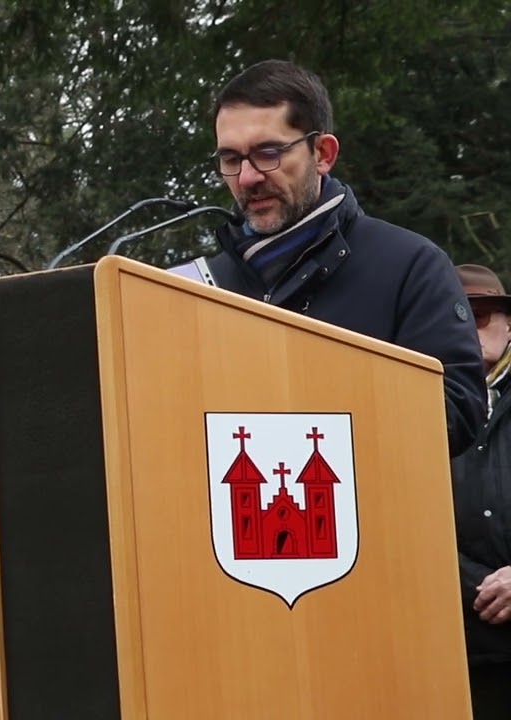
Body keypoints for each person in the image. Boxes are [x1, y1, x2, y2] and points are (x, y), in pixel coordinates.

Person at [202, 59, 485, 457]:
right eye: (231, 159)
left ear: (323, 153)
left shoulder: (410, 266)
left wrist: (307, 377)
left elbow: (460, 412)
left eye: (268, 152)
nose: (247, 177)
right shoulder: (202, 285)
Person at [450, 264, 511, 718]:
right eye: (456, 316)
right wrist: (477, 585)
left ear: (509, 326)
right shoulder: (407, 404)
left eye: (484, 315)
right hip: (458, 649)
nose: (471, 328)